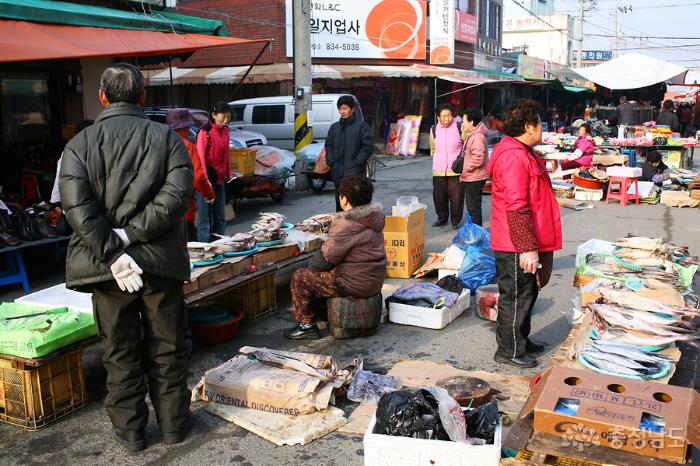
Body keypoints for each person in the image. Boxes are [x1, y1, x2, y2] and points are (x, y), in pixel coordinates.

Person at [59, 63, 194, 452]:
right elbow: (176, 198)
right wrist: (132, 236)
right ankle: (173, 427)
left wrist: (113, 248)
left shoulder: (78, 146)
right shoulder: (167, 139)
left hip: (106, 270)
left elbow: (77, 210)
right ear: (142, 97)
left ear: (102, 97)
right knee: (167, 347)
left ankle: (132, 434)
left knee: (119, 352)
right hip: (159, 262)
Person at [487, 98, 562, 368]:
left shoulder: (522, 150)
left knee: (527, 294)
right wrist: (527, 247)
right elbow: (516, 205)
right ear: (529, 127)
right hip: (515, 243)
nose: (543, 128)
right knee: (516, 297)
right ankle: (508, 350)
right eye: (540, 123)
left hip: (526, 239)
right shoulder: (514, 155)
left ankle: (521, 340)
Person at [284, 174, 386, 340]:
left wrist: (323, 247)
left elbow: (320, 263)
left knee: (300, 277)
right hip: (374, 280)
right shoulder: (375, 216)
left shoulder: (346, 223)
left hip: (354, 284)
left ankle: (306, 325)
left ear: (344, 199)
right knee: (325, 275)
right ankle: (321, 313)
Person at [166, 108, 215, 241]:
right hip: (184, 210)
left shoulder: (158, 144)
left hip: (162, 211)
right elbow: (198, 176)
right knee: (190, 252)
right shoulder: (187, 146)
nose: (189, 129)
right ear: (184, 127)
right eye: (188, 126)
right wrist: (209, 194)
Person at [325, 96, 373, 212]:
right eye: (340, 109)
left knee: (356, 208)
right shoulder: (334, 128)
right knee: (340, 207)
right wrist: (331, 162)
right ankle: (341, 229)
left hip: (355, 176)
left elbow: (367, 148)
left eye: (345, 108)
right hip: (338, 175)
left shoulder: (362, 126)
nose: (342, 111)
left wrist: (356, 163)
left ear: (352, 109)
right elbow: (328, 145)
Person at [195, 101, 231, 242]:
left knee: (220, 216)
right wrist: (206, 181)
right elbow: (200, 158)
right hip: (205, 181)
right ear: (214, 115)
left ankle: (220, 245)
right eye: (223, 117)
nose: (226, 120)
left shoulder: (226, 130)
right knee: (205, 219)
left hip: (220, 179)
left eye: (229, 117)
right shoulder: (205, 132)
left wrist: (228, 173)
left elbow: (226, 153)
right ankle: (204, 249)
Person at [430, 103, 465, 229]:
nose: (447, 119)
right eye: (443, 116)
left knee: (457, 197)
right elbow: (433, 149)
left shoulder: (459, 127)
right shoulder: (434, 129)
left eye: (449, 115)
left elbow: (465, 146)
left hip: (455, 169)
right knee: (439, 196)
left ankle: (455, 220)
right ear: (438, 117)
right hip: (438, 170)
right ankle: (442, 218)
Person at [50, 120, 94, 204]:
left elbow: (60, 178)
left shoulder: (70, 151)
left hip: (77, 199)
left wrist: (55, 201)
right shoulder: (101, 149)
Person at [459, 107, 489, 226]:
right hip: (473, 175)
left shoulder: (477, 137)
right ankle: (476, 233)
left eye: (464, 121)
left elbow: (478, 158)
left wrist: (466, 168)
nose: (463, 123)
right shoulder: (474, 134)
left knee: (474, 208)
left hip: (474, 177)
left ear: (471, 122)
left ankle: (477, 235)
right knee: (473, 207)